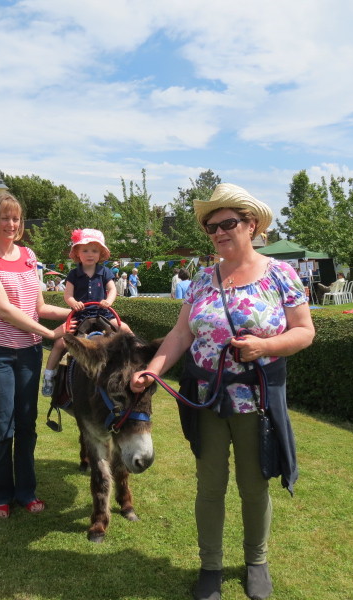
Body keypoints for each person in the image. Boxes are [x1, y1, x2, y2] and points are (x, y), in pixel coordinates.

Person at [130, 183, 315, 600]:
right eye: (211, 227)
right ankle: (210, 566)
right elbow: (181, 334)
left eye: (227, 223)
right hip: (206, 400)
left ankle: (256, 561)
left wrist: (265, 347)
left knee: (254, 485)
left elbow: (305, 331)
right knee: (210, 486)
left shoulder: (280, 274)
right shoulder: (201, 279)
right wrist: (153, 371)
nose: (218, 232)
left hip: (256, 403)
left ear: (251, 225)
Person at [0, 192, 72, 519]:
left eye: (16, 218)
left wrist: (77, 312)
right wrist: (51, 334)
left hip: (28, 352)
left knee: (26, 424)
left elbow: (39, 307)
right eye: (4, 217)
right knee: (3, 425)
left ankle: (26, 491)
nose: (11, 224)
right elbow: (3, 309)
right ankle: (0, 495)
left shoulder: (28, 255)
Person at [41, 229, 118, 396]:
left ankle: (138, 361)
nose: (90, 254)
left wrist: (109, 301)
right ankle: (48, 376)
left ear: (100, 253)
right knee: (60, 344)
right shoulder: (73, 274)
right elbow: (67, 295)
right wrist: (74, 303)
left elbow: (112, 289)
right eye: (85, 250)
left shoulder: (105, 272)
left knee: (124, 329)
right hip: (80, 317)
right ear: (77, 253)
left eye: (94, 250)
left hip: (102, 315)